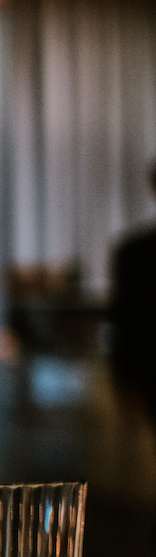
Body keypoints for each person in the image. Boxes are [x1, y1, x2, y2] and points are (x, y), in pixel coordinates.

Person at [109, 162, 156, 419]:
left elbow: (124, 319)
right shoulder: (133, 254)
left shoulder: (134, 254)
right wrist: (125, 378)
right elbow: (125, 319)